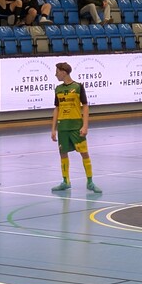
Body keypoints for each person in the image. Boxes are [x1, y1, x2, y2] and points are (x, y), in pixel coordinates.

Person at [50, 62, 100, 194]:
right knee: (63, 153)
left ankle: (90, 182)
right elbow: (57, 108)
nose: (55, 74)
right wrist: (53, 129)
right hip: (63, 127)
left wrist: (85, 125)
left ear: (64, 72)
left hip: (76, 126)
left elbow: (85, 106)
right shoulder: (58, 89)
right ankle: (65, 181)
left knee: (84, 153)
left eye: (57, 72)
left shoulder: (78, 87)